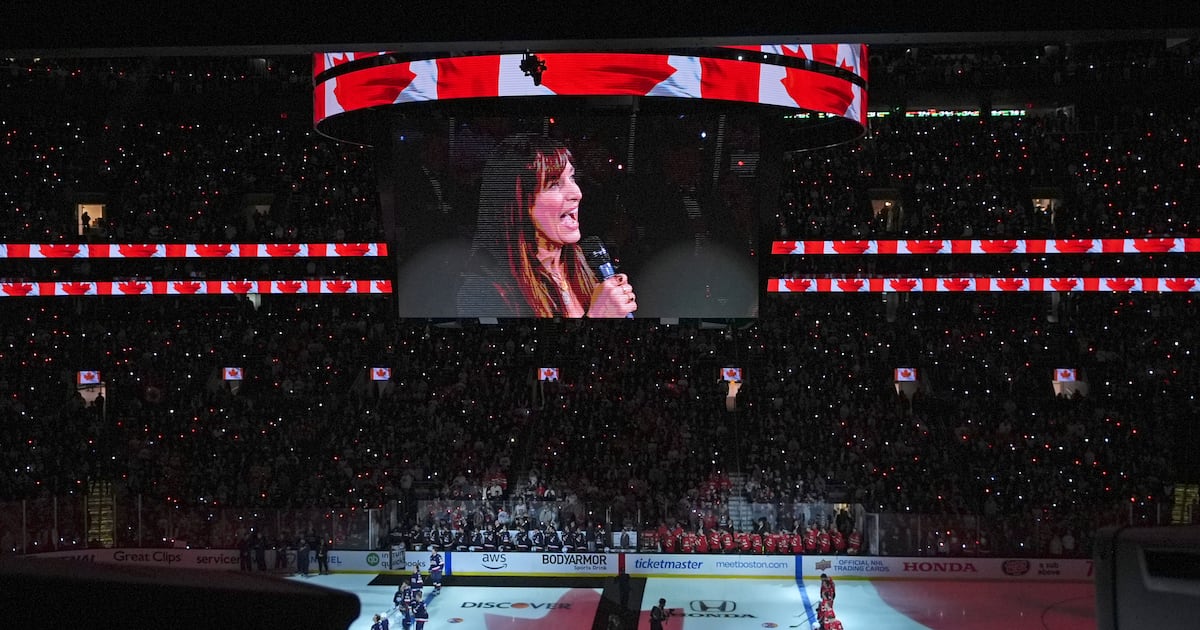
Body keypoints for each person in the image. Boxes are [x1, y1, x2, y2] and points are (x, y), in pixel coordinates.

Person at [456, 133, 637, 318]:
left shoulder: (589, 264)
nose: (577, 193)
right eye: (554, 184)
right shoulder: (484, 291)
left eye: (572, 178)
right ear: (518, 203)